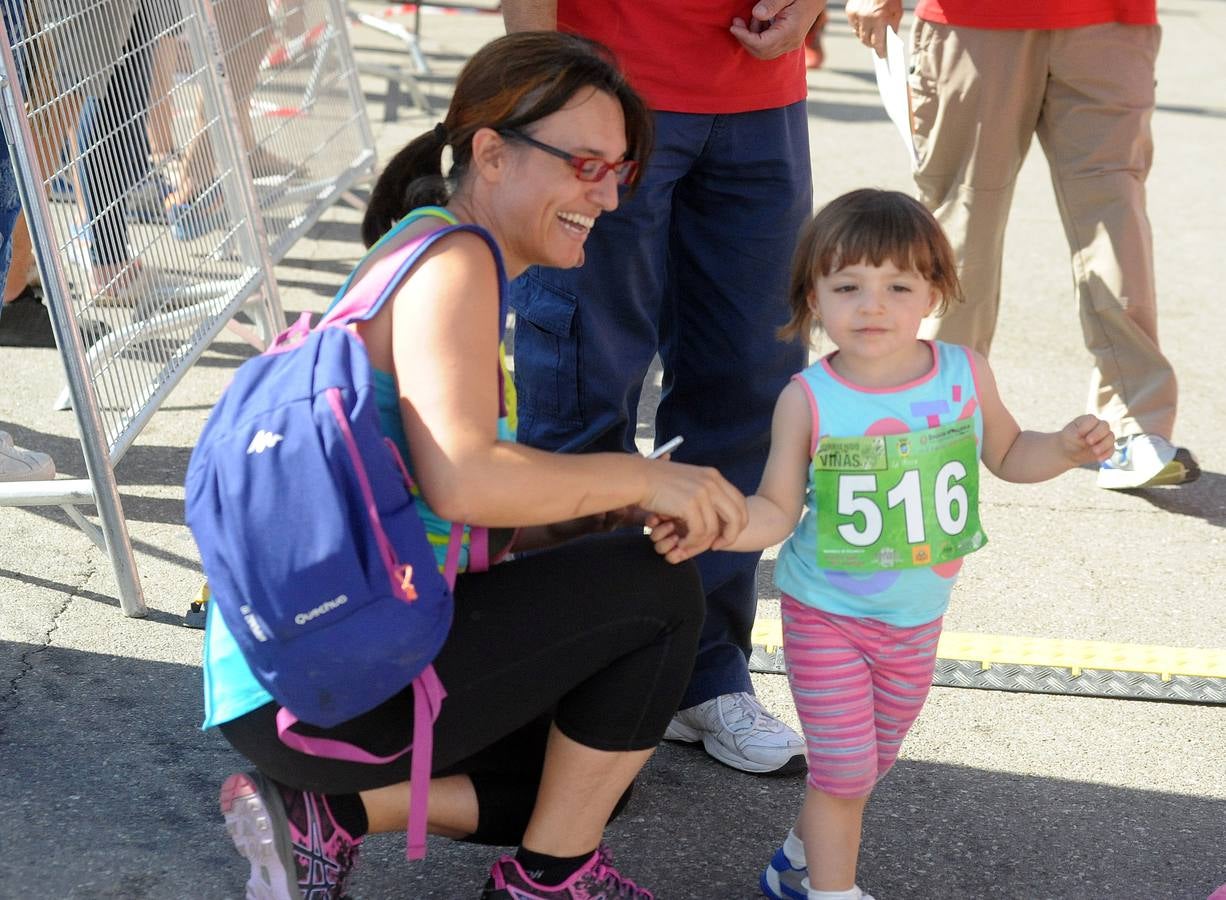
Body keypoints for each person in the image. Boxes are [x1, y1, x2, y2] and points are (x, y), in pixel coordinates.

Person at [203, 31, 749, 900]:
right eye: (584, 163)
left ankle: (327, 818)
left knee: (592, 771)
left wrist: (583, 516)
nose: (604, 196)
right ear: (491, 153)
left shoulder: (422, 247)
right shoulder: (456, 263)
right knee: (658, 594)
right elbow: (466, 475)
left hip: (290, 674)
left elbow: (434, 502)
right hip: (321, 685)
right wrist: (643, 479)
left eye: (618, 172)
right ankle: (550, 883)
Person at [648, 190, 1115, 900]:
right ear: (814, 298)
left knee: (867, 765)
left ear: (934, 291)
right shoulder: (808, 399)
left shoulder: (964, 374)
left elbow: (1012, 452)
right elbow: (776, 508)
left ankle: (792, 866)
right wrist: (719, 522)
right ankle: (832, 891)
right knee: (841, 773)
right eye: (848, 286)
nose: (873, 305)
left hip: (918, 620)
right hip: (826, 616)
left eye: (897, 285)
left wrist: (1066, 449)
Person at [502, 0, 821, 777]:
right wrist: (548, 75)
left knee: (751, 383)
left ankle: (701, 672)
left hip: (760, 91)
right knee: (585, 384)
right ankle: (570, 678)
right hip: (603, 78)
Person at [845, 0, 1198, 492]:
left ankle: (1135, 425)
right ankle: (939, 420)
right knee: (964, 226)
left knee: (1115, 220)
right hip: (973, 20)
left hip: (1109, 23)